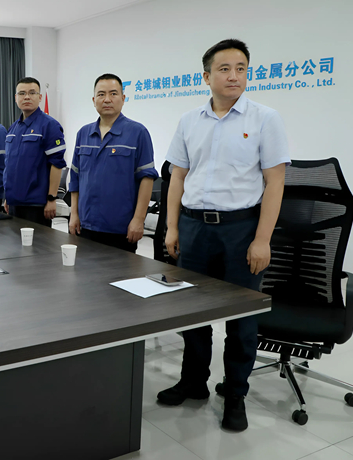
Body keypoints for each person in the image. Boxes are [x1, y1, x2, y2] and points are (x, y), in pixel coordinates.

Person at [157, 39, 289, 432]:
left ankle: (235, 393)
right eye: (225, 68)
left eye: (241, 68)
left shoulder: (265, 119)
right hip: (194, 228)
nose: (234, 76)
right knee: (192, 312)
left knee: (241, 318)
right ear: (207, 76)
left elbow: (275, 182)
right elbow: (177, 177)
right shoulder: (189, 120)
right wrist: (172, 226)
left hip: (240, 230)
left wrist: (262, 239)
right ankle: (194, 381)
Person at [68, 74, 158, 252]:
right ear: (94, 100)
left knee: (120, 270)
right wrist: (74, 214)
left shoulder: (138, 132)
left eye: (113, 94)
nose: (107, 99)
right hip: (86, 224)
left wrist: (139, 219)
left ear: (123, 98)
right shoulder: (83, 133)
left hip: (121, 227)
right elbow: (75, 178)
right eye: (101, 94)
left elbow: (147, 179)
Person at [2, 77, 66, 227]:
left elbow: (57, 164)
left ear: (40, 97)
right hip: (14, 201)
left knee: (37, 243)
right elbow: (9, 165)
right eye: (22, 93)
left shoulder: (49, 125)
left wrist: (52, 198)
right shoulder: (13, 128)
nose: (27, 97)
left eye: (32, 93)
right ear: (16, 98)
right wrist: (7, 197)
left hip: (37, 204)